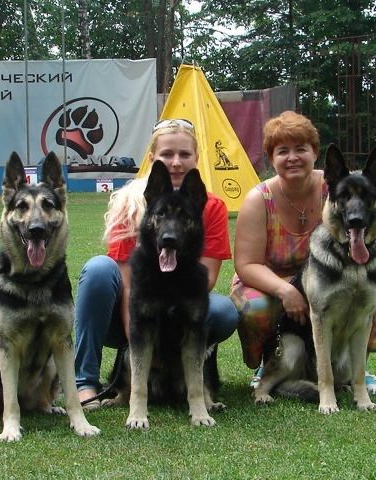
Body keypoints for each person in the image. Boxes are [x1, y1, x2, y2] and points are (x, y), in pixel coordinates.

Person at [74, 118, 239, 408]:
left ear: (196, 158)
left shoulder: (211, 206)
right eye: (167, 154)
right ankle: (85, 383)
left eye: (184, 154)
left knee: (222, 310)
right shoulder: (130, 202)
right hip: (131, 312)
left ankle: (184, 375)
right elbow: (128, 286)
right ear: (152, 159)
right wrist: (138, 340)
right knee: (99, 269)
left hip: (180, 307)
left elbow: (207, 279)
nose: (176, 162)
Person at [230, 110, 376, 392]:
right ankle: (272, 362)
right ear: (271, 158)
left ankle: (351, 369)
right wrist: (286, 291)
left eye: (301, 149)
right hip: (270, 283)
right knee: (255, 307)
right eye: (282, 151)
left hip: (329, 275)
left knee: (365, 295)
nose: (292, 157)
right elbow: (247, 265)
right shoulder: (259, 199)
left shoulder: (338, 188)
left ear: (314, 153)